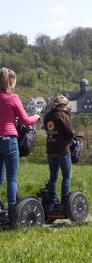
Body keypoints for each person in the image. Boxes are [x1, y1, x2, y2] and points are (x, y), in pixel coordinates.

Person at [0, 67, 40, 220]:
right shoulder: (13, 98)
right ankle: (12, 212)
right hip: (9, 141)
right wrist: (36, 117)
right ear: (10, 81)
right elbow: (25, 120)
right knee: (12, 178)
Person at [43, 94, 75, 210]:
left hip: (51, 150)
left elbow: (48, 130)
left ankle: (53, 201)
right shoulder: (63, 115)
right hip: (62, 150)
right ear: (63, 105)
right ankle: (64, 202)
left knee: (53, 177)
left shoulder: (47, 116)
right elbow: (71, 132)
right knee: (66, 176)